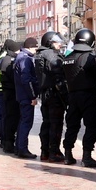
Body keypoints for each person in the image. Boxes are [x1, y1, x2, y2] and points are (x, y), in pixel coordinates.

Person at [61, 28, 96, 167]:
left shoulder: (67, 58)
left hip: (72, 95)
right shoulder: (91, 57)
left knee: (72, 125)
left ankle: (67, 154)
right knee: (92, 125)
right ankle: (87, 155)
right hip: (88, 95)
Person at [35, 31, 67, 162]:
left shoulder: (39, 55)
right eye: (57, 42)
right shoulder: (51, 56)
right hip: (54, 94)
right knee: (56, 123)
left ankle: (44, 151)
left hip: (45, 94)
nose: (59, 44)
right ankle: (54, 152)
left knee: (46, 123)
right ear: (50, 42)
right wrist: (65, 96)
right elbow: (58, 77)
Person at [14, 37, 40, 159]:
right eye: (35, 47)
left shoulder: (20, 57)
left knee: (22, 122)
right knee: (26, 122)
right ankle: (22, 149)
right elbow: (26, 80)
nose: (36, 50)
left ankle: (19, 147)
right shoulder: (25, 59)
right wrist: (33, 96)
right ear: (30, 46)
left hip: (21, 95)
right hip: (26, 96)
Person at [0, 40, 21, 153]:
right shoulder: (9, 60)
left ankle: (7, 142)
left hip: (7, 91)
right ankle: (8, 143)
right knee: (11, 119)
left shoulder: (4, 59)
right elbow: (12, 76)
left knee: (7, 118)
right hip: (11, 92)